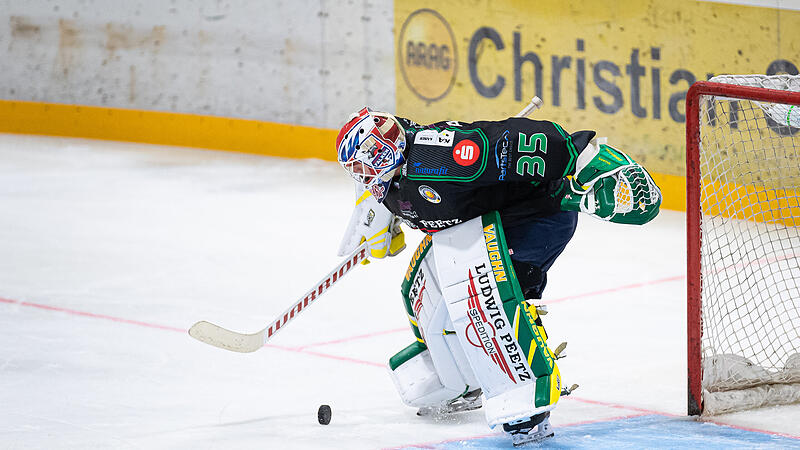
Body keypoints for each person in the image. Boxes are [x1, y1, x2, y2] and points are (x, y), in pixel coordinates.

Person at [334, 107, 661, 446]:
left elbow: (509, 140)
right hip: (476, 227)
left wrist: (583, 158)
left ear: (387, 149)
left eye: (366, 163)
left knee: (490, 298)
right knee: (426, 288)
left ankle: (524, 404)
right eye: (355, 169)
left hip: (534, 219)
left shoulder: (440, 155)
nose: (363, 174)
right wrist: (378, 220)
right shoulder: (388, 177)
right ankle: (459, 378)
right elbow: (388, 194)